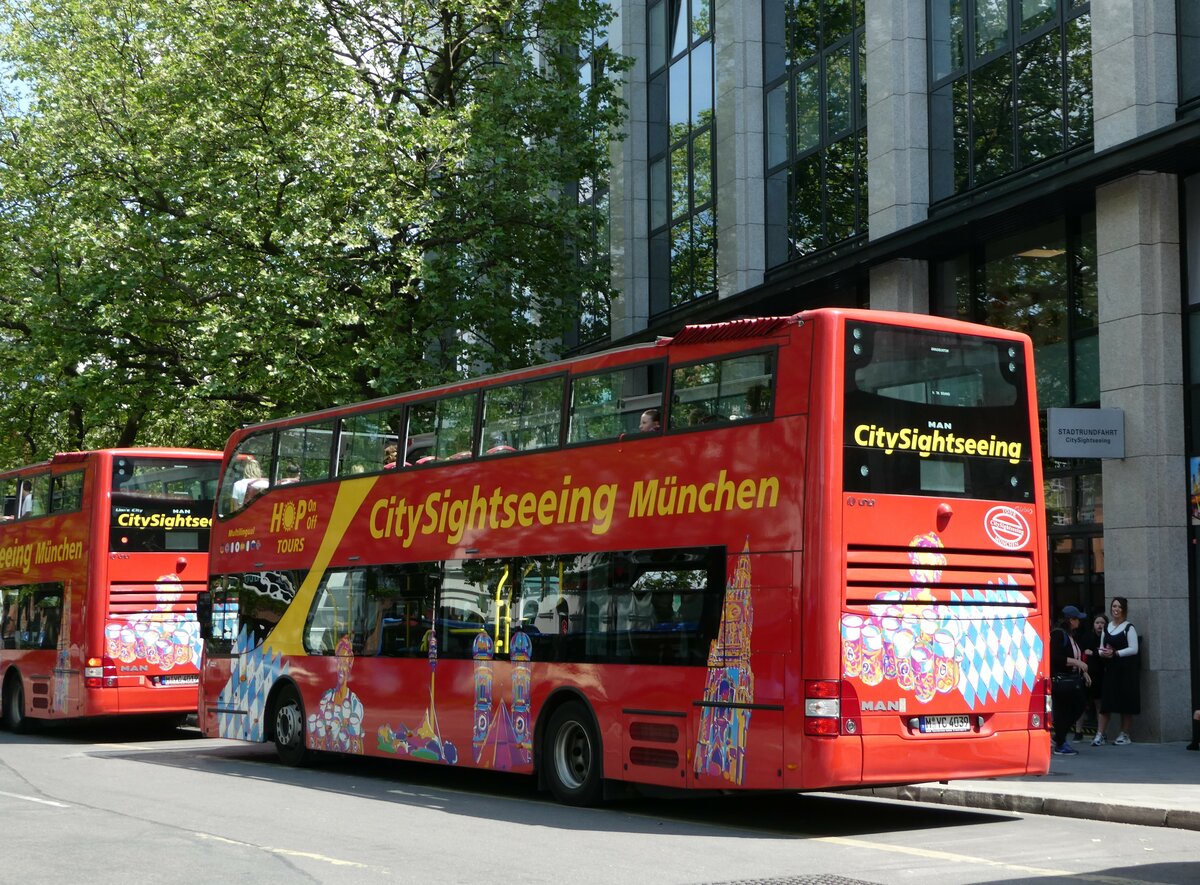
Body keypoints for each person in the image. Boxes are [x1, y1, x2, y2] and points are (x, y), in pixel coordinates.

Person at [1093, 596, 1140, 746]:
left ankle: (1125, 734)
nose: (1116, 609)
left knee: (1126, 702)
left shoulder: (1129, 627)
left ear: (1124, 609)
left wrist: (1117, 653)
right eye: (1114, 606)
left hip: (1126, 671)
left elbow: (1134, 648)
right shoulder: (1106, 628)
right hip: (1111, 670)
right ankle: (1100, 734)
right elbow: (1101, 647)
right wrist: (1103, 653)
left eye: (1119, 607)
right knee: (1106, 702)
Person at [1050, 604, 1090, 756]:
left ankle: (1059, 739)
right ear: (1070, 620)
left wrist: (1082, 671)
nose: (1079, 622)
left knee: (1076, 707)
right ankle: (1060, 741)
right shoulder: (1058, 635)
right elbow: (1055, 657)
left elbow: (1075, 656)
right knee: (1068, 709)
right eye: (1077, 619)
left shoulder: (1070, 635)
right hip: (1061, 680)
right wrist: (1077, 663)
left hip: (1071, 679)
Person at [1073, 613, 1107, 740]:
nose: (1099, 625)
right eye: (1097, 623)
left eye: (1102, 623)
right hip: (1086, 674)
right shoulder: (1087, 637)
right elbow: (1081, 653)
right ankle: (1078, 731)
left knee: (1099, 704)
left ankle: (1100, 732)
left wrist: (1095, 653)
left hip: (1100, 675)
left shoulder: (1107, 638)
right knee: (1083, 703)